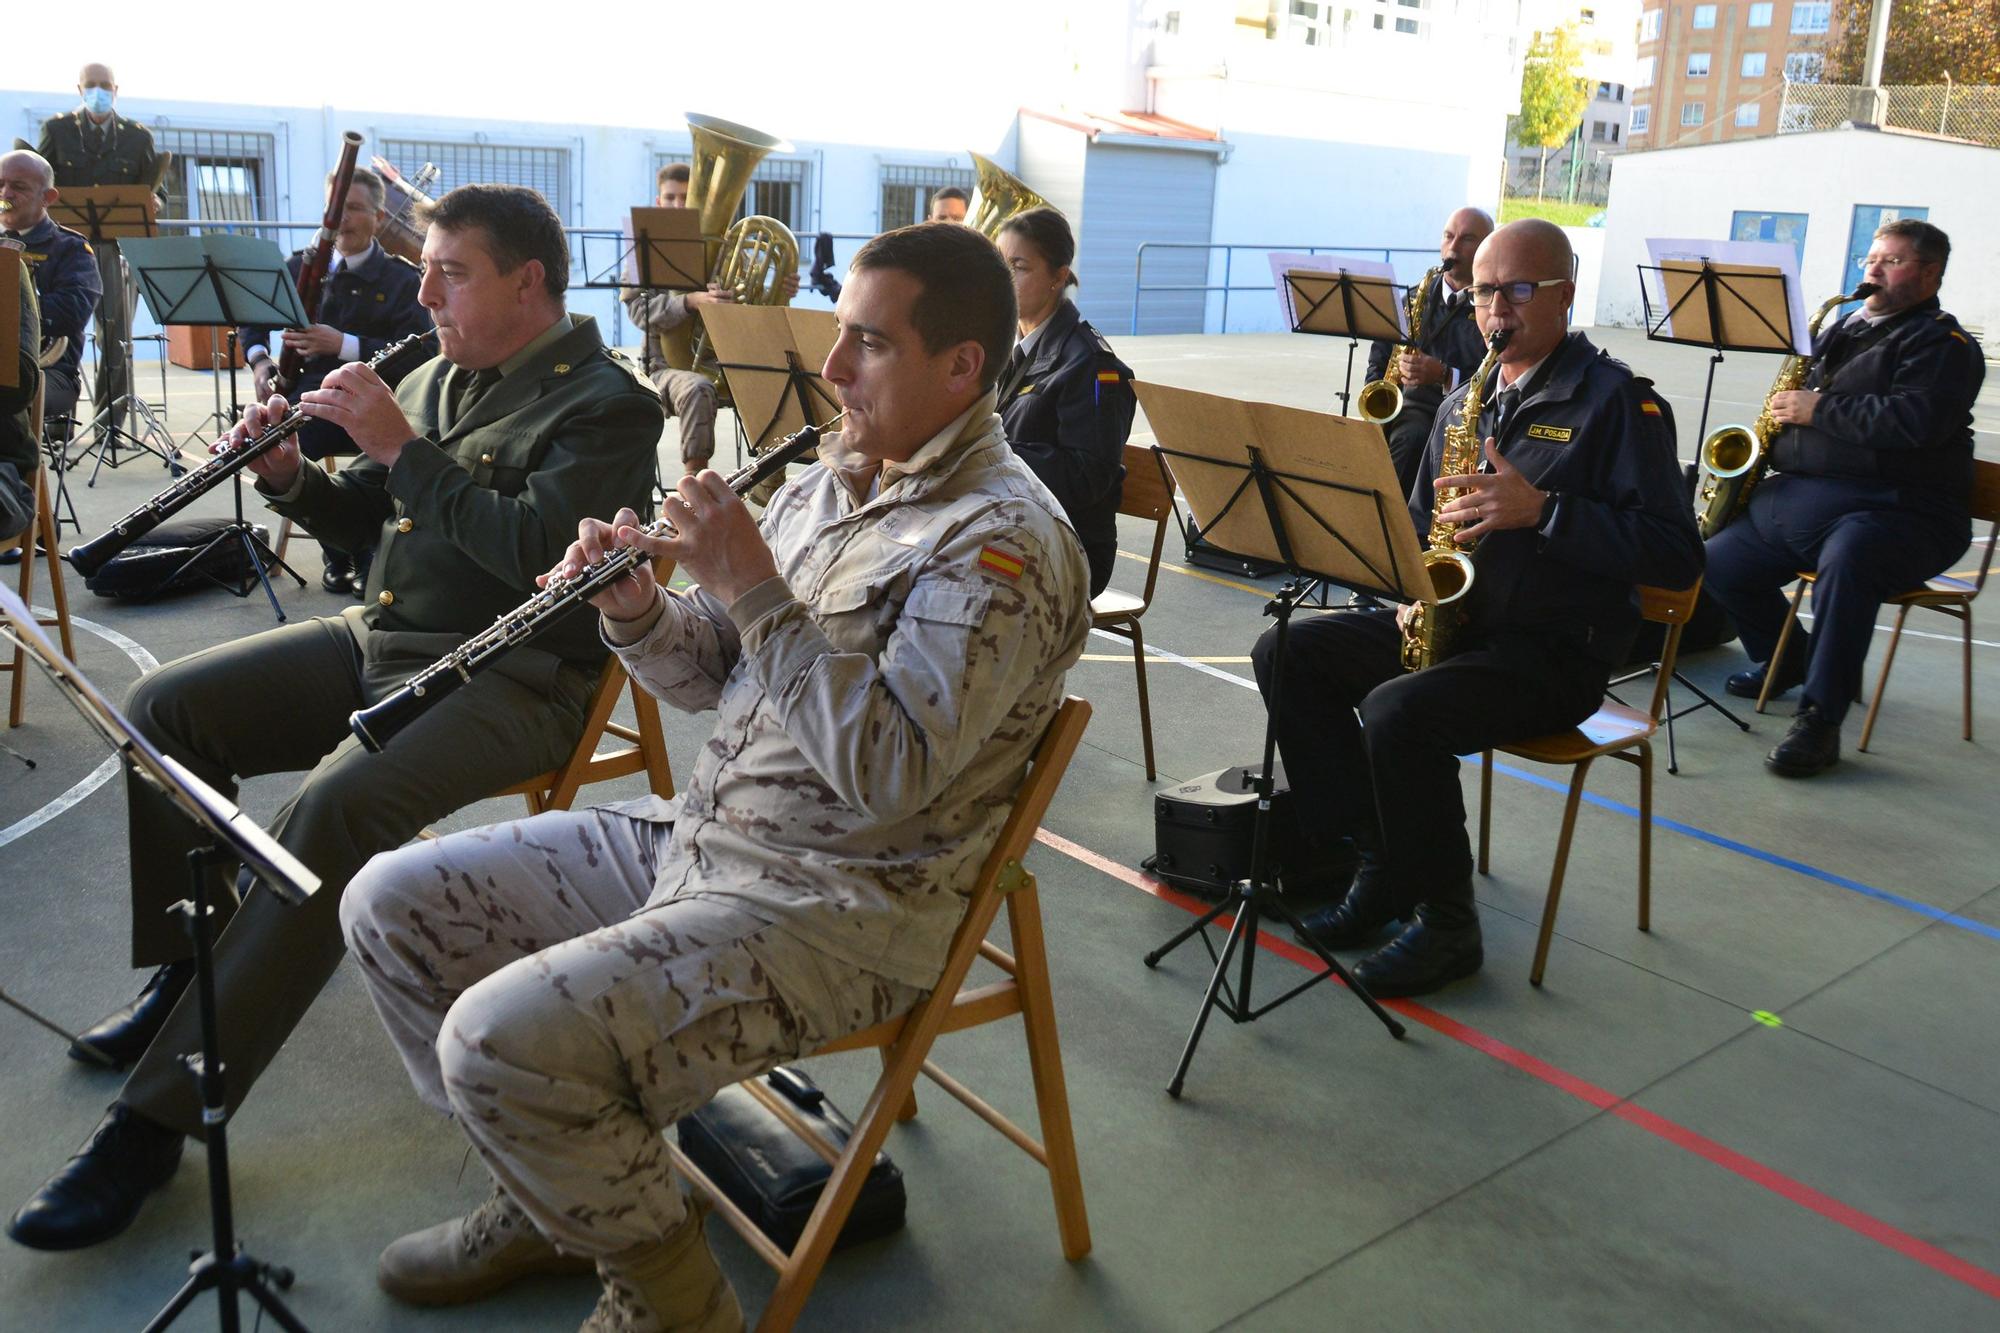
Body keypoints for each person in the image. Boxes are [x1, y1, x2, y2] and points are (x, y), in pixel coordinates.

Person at [338, 221, 1089, 1329]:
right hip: (704, 837)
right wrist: (638, 610)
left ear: (961, 365)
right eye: (838, 338)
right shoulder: (830, 478)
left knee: (496, 1041)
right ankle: (559, 1200)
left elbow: (890, 771)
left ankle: (670, 1303)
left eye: (867, 346)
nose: (831, 372)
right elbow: (716, 680)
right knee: (390, 903)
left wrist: (751, 588)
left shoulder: (999, 542)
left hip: (836, 909)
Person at [6, 184, 664, 1253]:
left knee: (331, 811)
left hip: (515, 678)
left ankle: (159, 1117)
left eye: (450, 271)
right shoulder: (441, 367)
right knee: (162, 708)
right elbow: (368, 503)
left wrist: (406, 449)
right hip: (386, 639)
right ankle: (194, 970)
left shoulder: (606, 404)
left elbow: (539, 562)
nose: (425, 290)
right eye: (427, 270)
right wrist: (290, 476)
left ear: (528, 280)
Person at [1254, 219, 1702, 998]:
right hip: (1463, 627)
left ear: (1564, 294)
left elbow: (1675, 553)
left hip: (1555, 651)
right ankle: (1377, 863)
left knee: (1398, 713)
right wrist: (1409, 595)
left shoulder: (1619, 405)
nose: (1497, 309)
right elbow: (1421, 527)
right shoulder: (1465, 402)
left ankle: (1448, 923)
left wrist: (1549, 512)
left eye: (1518, 290)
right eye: (1486, 291)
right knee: (1288, 651)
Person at [1704, 219, 1984, 777]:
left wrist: (1817, 411)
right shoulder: (1847, 325)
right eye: (1871, 258)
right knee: (1714, 559)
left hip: (1903, 509)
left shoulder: (1944, 345)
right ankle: (1786, 660)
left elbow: (1916, 422)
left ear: (1929, 273)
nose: (1873, 270)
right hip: (1806, 500)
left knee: (1849, 561)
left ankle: (1819, 722)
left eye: (1892, 261)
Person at [239, 164, 430, 595]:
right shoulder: (301, 267)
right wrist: (261, 364)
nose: (342, 219)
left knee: (366, 440)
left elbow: (419, 349)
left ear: (379, 219)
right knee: (289, 441)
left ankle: (364, 549)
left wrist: (341, 343)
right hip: (310, 401)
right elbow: (252, 322)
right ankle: (337, 551)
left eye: (356, 209)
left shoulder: (402, 278)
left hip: (380, 399)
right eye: (335, 208)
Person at [994, 207, 1135, 596]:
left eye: (1019, 267)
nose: (1004, 280)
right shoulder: (1008, 350)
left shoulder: (1092, 365)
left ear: (1058, 276)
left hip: (1070, 549)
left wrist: (991, 453)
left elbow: (1088, 475)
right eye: (1000, 264)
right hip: (1012, 526)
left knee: (965, 576)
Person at [37, 64, 163, 434]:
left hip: (115, 248)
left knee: (115, 336)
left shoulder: (137, 137)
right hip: (66, 249)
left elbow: (155, 186)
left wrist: (155, 200)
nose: (98, 91)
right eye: (91, 86)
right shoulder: (56, 130)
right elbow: (41, 178)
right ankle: (56, 423)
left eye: (104, 86)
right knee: (59, 332)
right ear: (80, 89)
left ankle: (111, 426)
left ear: (116, 89)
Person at [1362, 207, 1493, 497]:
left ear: (1487, 247)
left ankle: (1394, 521)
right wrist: (1378, 397)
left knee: (1411, 440)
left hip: (1462, 414)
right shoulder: (1410, 300)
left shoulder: (1495, 307)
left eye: (1467, 239)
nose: (1453, 247)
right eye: (1448, 236)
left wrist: (1446, 375)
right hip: (1406, 408)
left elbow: (1498, 375)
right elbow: (1379, 358)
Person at [622, 162, 733, 476]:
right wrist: (689, 302)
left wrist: (780, 288)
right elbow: (638, 312)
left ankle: (772, 480)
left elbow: (747, 300)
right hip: (660, 368)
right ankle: (692, 487)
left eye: (685, 197)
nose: (677, 204)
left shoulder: (720, 247)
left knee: (768, 380)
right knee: (698, 389)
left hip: (716, 361)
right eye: (670, 197)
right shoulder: (645, 247)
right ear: (658, 202)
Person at [0, 148, 102, 427]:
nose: (5, 194)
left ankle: (13, 470)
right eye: (0, 185)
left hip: (48, 371)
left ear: (48, 198)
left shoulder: (71, 248)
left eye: (18, 187)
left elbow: (72, 312)